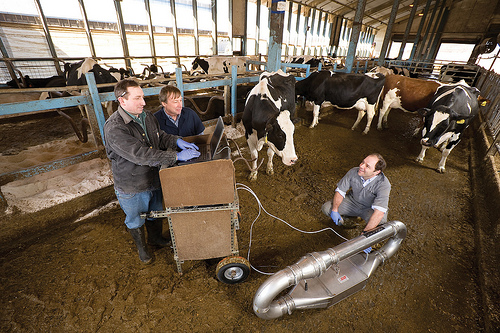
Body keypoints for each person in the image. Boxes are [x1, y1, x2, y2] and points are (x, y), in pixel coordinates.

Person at [104, 79, 201, 264]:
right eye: (138, 98)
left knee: (155, 211)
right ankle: (143, 249)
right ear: (122, 100)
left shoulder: (147, 116)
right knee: (136, 218)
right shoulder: (115, 128)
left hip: (154, 178)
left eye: (143, 97)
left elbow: (161, 137)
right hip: (133, 184)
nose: (144, 102)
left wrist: (177, 141)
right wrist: (176, 157)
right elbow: (140, 154)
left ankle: (155, 238)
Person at [321, 153, 391, 253]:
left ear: (376, 172)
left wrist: (365, 236)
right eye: (363, 162)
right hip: (353, 202)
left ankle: (373, 245)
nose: (361, 166)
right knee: (327, 208)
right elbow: (340, 191)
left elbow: (379, 212)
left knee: (380, 226)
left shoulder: (384, 184)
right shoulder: (354, 172)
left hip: (369, 209)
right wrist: (335, 209)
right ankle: (350, 220)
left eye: (367, 166)